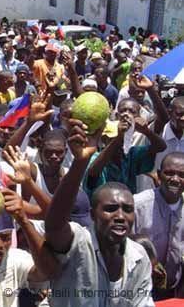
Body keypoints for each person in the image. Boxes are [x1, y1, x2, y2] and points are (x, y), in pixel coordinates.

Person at [44, 118, 154, 306]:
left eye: (127, 210)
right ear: (93, 215)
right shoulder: (78, 242)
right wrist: (80, 162)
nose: (120, 216)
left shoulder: (139, 257)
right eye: (110, 209)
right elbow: (54, 225)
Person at [133, 152, 184, 299]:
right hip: (140, 290)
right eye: (169, 173)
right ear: (159, 175)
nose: (175, 179)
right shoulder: (138, 205)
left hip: (175, 290)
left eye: (182, 175)